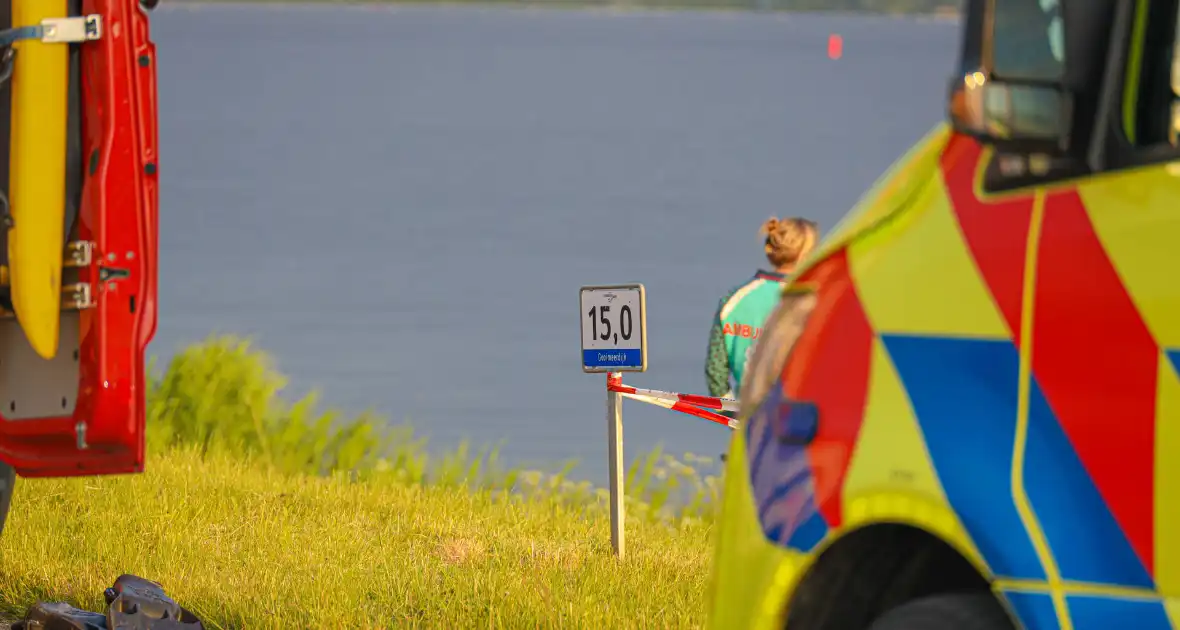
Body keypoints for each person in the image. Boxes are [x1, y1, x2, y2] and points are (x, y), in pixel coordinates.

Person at [705, 217, 819, 402]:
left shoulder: (734, 299)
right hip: (802, 419)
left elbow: (715, 374)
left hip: (750, 418)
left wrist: (733, 415)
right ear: (804, 254)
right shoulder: (812, 300)